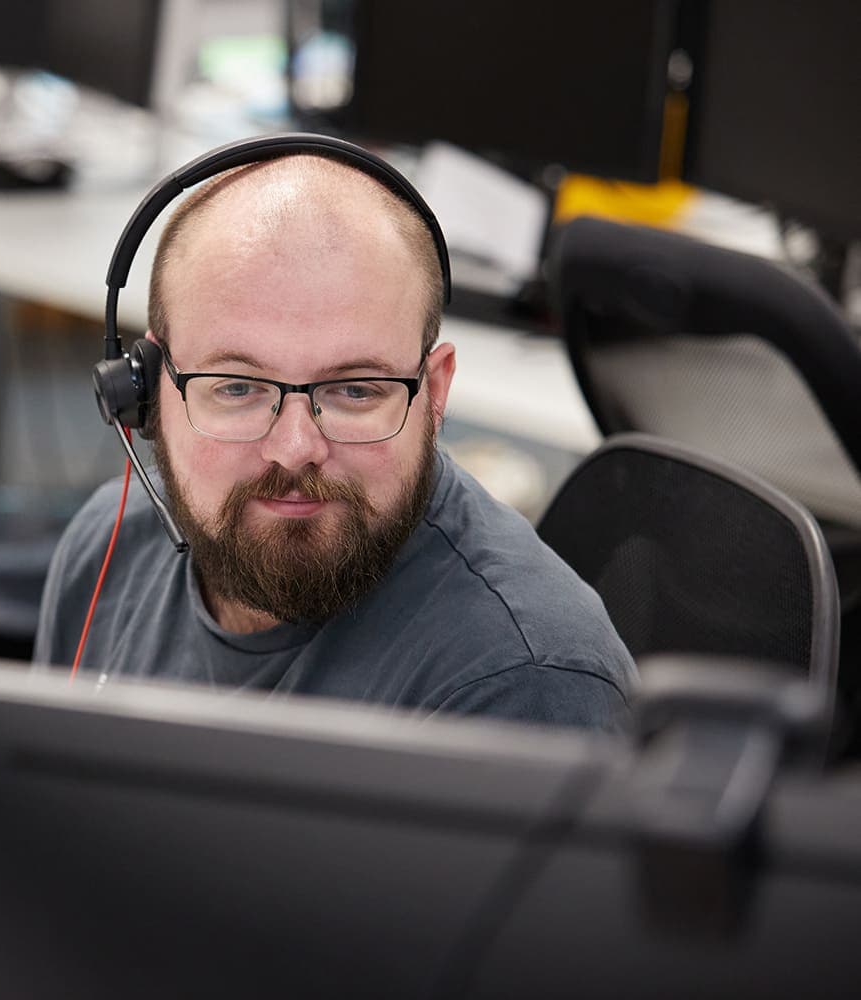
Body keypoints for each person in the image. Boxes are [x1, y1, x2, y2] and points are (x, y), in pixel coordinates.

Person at [33, 148, 636, 730]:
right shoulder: (107, 552)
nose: (295, 448)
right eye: (237, 388)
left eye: (355, 391)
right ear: (146, 391)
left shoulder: (523, 687)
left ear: (436, 394)